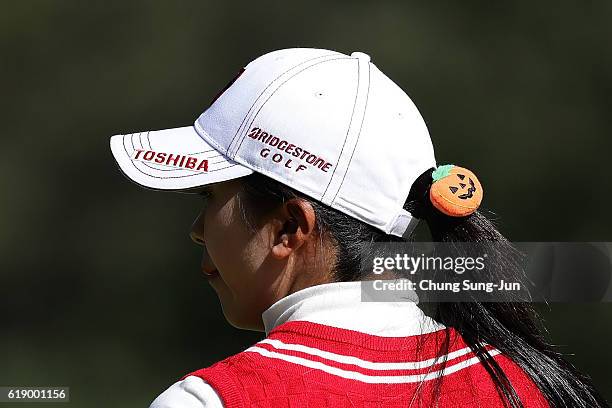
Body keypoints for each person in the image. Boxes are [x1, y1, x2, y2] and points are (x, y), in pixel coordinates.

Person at [109, 48, 607, 407]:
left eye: (210, 196)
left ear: (289, 229)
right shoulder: (525, 388)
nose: (197, 229)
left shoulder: (209, 401)